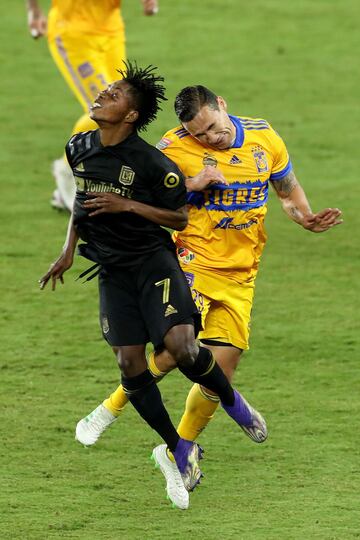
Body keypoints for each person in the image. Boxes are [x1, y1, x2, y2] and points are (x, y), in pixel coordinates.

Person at [74, 83, 342, 494]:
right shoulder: (170, 148)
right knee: (174, 351)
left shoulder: (263, 136)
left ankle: (178, 450)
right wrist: (194, 183)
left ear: (222, 106)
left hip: (241, 272)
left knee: (221, 370)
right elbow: (149, 202)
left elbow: (286, 189)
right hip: (190, 261)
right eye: (200, 136)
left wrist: (303, 216)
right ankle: (109, 409)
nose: (211, 139)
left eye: (214, 129)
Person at [39, 65, 269, 510]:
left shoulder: (151, 163)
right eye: (108, 89)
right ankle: (178, 448)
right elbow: (83, 202)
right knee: (130, 365)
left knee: (183, 345)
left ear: (130, 115)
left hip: (153, 264)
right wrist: (68, 248)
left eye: (115, 93)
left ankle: (232, 401)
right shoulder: (78, 146)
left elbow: (178, 219)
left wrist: (127, 204)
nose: (104, 93)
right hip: (111, 270)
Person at [26, 0, 159, 211]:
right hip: (73, 33)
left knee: (124, 106)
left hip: (110, 30)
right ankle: (68, 171)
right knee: (108, 111)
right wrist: (33, 10)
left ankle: (69, 175)